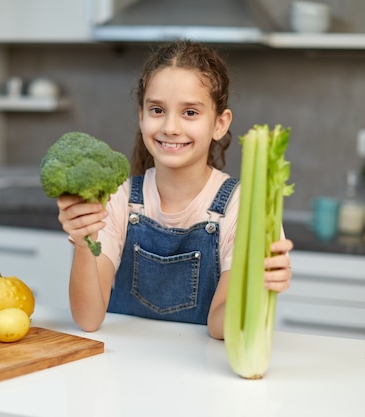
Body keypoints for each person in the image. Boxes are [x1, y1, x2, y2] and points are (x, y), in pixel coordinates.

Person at [57, 40, 293, 340]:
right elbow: (88, 319)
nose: (170, 127)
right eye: (157, 110)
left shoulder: (243, 206)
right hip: (123, 368)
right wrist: (82, 242)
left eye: (190, 113)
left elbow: (221, 328)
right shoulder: (118, 198)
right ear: (141, 116)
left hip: (200, 373)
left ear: (220, 123)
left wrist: (255, 285)